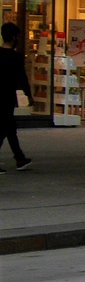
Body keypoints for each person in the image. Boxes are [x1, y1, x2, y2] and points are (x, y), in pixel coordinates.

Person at [0, 21, 34, 174]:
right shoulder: (16, 58)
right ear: (14, 38)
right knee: (4, 129)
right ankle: (19, 158)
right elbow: (22, 78)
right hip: (6, 97)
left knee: (9, 129)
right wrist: (29, 95)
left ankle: (20, 158)